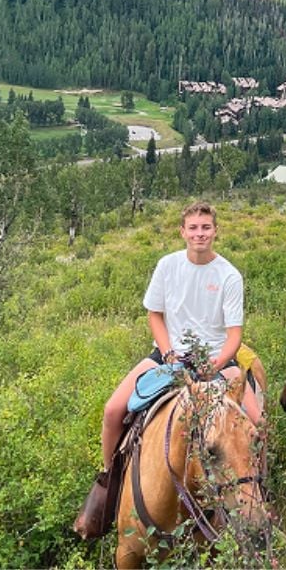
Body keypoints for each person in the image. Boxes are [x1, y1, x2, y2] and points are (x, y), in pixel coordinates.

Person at [100, 201, 261, 471]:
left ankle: (258, 488)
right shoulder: (167, 266)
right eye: (194, 228)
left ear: (215, 231)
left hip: (215, 358)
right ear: (182, 232)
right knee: (113, 411)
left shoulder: (229, 276)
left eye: (206, 228)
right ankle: (108, 480)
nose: (200, 233)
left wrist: (216, 365)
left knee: (257, 422)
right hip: (168, 356)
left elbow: (234, 335)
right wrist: (168, 354)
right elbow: (155, 314)